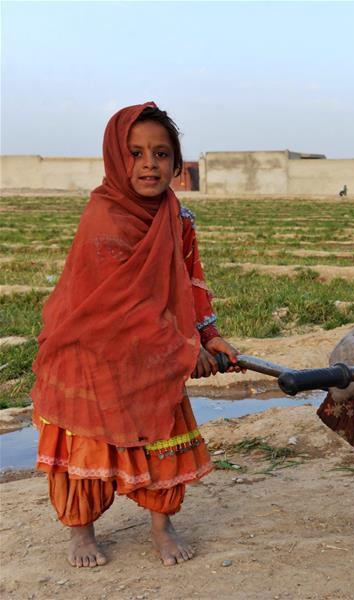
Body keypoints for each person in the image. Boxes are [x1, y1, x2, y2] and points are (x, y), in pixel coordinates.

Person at [30, 103, 242, 568]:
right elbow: (124, 310)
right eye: (137, 153)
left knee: (162, 435)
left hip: (153, 354)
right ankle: (81, 533)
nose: (150, 164)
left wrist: (208, 338)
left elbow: (189, 282)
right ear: (115, 158)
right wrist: (183, 350)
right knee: (87, 445)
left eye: (162, 154)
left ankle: (162, 527)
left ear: (176, 163)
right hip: (90, 354)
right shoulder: (103, 220)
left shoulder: (177, 219)